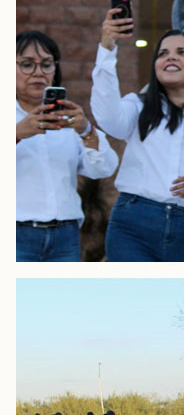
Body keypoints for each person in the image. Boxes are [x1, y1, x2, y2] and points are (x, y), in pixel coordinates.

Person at [90, 13, 184, 261]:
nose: (171, 57)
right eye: (163, 53)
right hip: (134, 226)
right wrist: (107, 47)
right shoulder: (138, 107)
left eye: (182, 52)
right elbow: (107, 117)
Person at [16, 30, 118, 261]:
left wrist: (86, 130)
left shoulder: (67, 119)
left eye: (47, 64)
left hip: (65, 235)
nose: (38, 73)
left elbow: (103, 168)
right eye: (27, 64)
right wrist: (16, 134)